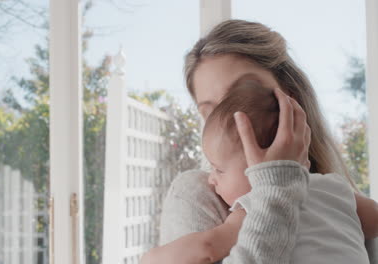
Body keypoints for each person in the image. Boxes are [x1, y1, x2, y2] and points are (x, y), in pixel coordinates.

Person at [147, 19, 377, 263]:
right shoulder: (198, 192)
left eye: (243, 96)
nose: (230, 122)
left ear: (292, 96)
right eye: (210, 111)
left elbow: (207, 247)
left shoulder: (330, 193)